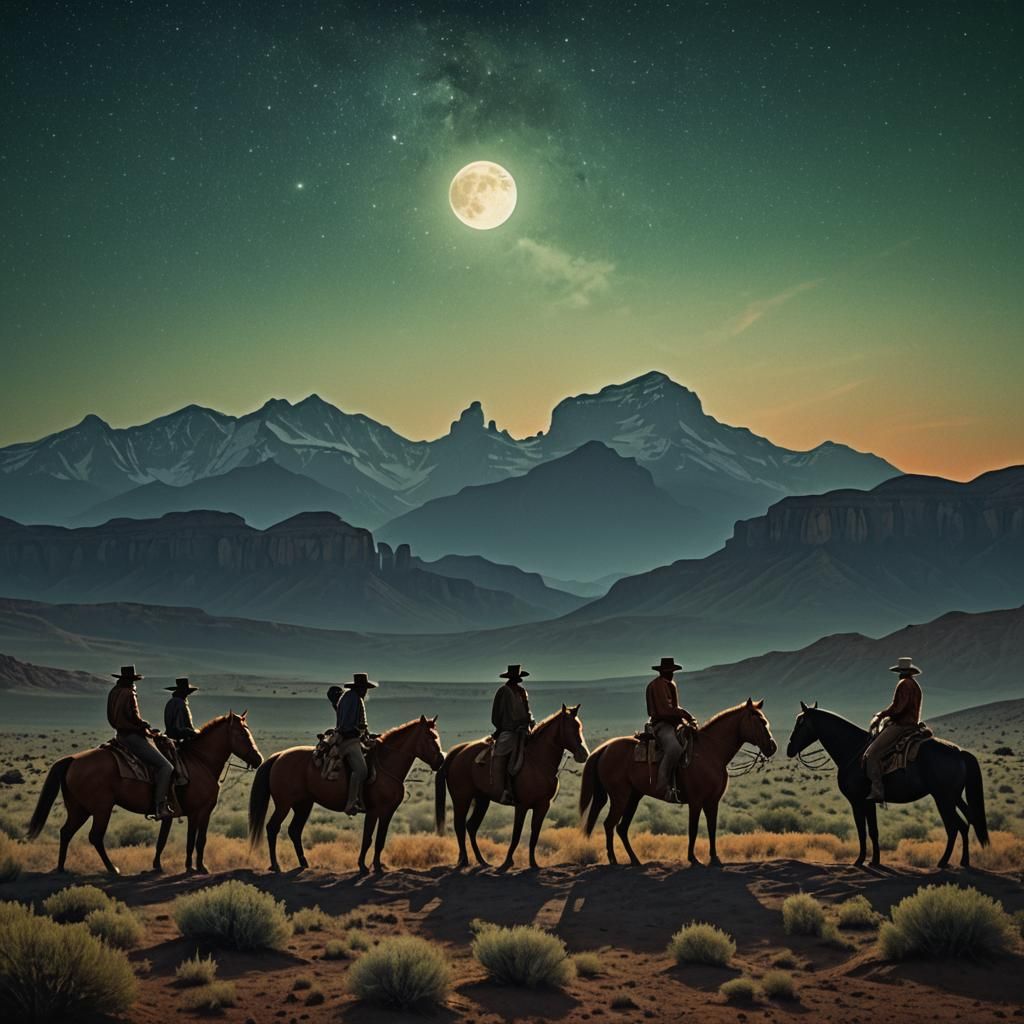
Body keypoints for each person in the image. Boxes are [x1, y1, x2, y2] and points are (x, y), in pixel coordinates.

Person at [106, 664, 174, 819]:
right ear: (131, 680)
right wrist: (143, 725)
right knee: (166, 767)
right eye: (133, 681)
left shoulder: (114, 692)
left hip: (120, 736)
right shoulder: (129, 693)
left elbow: (113, 717)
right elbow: (133, 717)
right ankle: (160, 806)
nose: (134, 684)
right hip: (132, 737)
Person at [863, 657, 924, 802]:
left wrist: (881, 715)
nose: (899, 674)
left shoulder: (903, 684)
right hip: (912, 724)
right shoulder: (915, 685)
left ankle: (877, 790)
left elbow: (898, 708)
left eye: (900, 671)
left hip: (901, 725)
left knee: (871, 754)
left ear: (902, 672)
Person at [646, 657, 697, 803]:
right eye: (669, 671)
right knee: (674, 749)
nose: (671, 673)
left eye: (672, 671)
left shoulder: (671, 684)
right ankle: (663, 786)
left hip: (674, 723)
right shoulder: (656, 686)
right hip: (661, 724)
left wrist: (689, 718)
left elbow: (675, 707)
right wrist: (685, 716)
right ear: (662, 672)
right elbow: (665, 711)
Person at [490, 664, 534, 804]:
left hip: (524, 729)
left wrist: (531, 723)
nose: (517, 679)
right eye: (515, 677)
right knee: (503, 751)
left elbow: (527, 711)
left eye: (518, 677)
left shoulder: (522, 691)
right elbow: (497, 715)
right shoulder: (503, 691)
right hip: (509, 731)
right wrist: (508, 726)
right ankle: (503, 789)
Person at [335, 673, 377, 815]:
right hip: (349, 740)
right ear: (358, 688)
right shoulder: (353, 699)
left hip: (349, 738)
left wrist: (366, 735)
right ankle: (351, 803)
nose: (365, 691)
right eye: (363, 688)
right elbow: (349, 726)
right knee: (361, 770)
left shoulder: (348, 697)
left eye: (366, 689)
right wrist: (362, 735)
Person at [163, 677, 199, 743]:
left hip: (174, 733)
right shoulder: (179, 703)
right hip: (177, 735)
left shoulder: (174, 701)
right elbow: (179, 727)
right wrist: (191, 732)